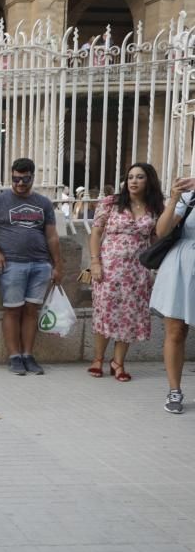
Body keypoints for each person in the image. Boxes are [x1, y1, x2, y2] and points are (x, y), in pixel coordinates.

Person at [0, 158, 63, 375]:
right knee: (13, 310)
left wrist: (57, 265)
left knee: (32, 310)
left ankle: (28, 355)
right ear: (11, 177)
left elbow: (52, 236)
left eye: (25, 179)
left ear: (33, 177)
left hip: (40, 264)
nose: (20, 183)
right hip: (12, 264)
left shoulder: (43, 203)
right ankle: (14, 356)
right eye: (16, 179)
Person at [87, 163, 163, 382]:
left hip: (138, 271)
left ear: (148, 180)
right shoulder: (110, 203)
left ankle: (118, 362)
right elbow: (96, 233)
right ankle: (98, 359)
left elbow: (157, 237)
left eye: (139, 177)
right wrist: (95, 262)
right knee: (105, 312)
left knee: (129, 316)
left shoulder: (154, 207)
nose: (133, 181)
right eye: (130, 177)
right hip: (109, 268)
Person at [149, 176, 195, 414]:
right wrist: (175, 197)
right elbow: (162, 231)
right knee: (176, 330)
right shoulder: (190, 197)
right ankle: (174, 390)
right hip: (182, 265)